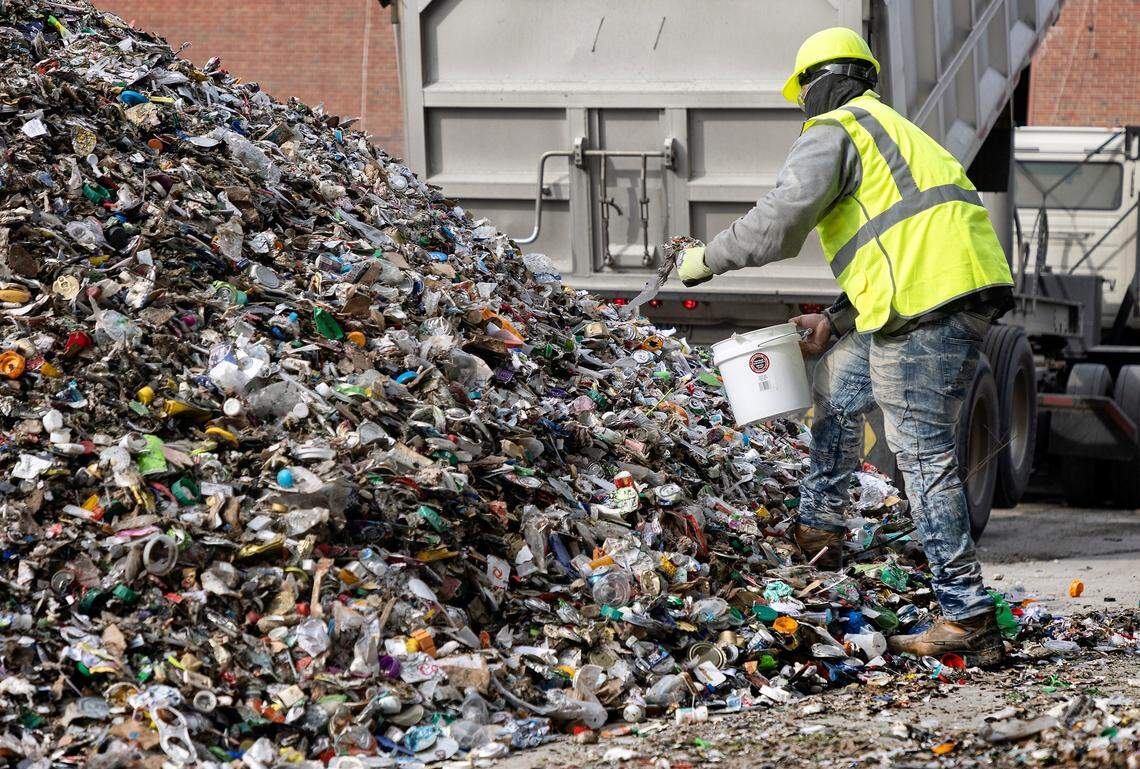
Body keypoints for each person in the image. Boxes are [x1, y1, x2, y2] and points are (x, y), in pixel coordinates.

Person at [677, 27, 1014, 666]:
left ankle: (968, 616)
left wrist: (702, 258)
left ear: (817, 84)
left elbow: (777, 226)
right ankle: (820, 530)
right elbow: (903, 247)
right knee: (838, 387)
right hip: (934, 297)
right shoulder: (898, 132)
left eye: (803, 90)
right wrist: (836, 317)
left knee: (920, 454)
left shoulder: (834, 129)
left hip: (928, 309)